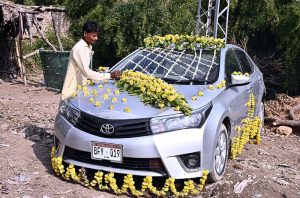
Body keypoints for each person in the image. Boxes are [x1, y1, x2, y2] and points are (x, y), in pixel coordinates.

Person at [61, 21, 121, 100]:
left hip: (80, 88)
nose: (96, 38)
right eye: (94, 36)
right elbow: (87, 73)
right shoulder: (79, 48)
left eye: (97, 36)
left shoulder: (88, 46)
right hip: (71, 91)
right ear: (85, 34)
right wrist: (109, 75)